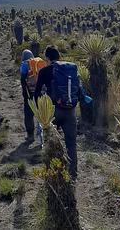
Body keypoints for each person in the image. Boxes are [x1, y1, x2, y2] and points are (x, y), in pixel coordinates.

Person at [34, 45, 84, 180]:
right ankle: (73, 175)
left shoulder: (44, 71)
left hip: (53, 112)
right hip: (70, 110)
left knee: (51, 141)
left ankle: (54, 174)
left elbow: (37, 92)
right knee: (71, 144)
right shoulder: (69, 70)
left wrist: (39, 110)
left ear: (47, 58)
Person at [20, 49, 45, 145]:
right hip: (41, 92)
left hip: (30, 93)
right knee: (42, 113)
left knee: (29, 114)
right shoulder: (39, 62)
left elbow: (23, 80)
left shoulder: (24, 65)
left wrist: (25, 94)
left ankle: (30, 136)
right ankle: (43, 137)